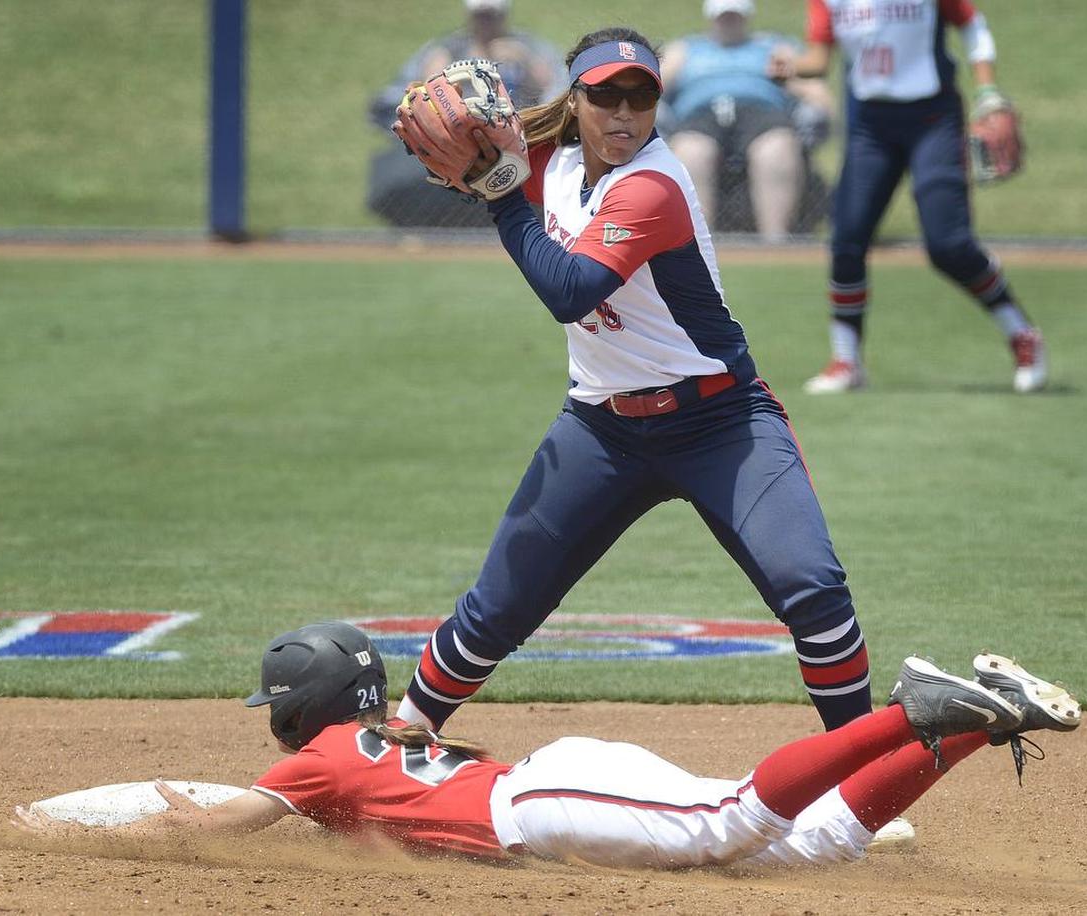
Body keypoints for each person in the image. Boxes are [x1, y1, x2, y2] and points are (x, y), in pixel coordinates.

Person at [391, 27, 877, 738]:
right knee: (498, 605)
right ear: (577, 97)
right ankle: (404, 734)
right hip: (602, 426)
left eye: (641, 96)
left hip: (720, 423)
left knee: (813, 591)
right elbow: (466, 161)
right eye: (606, 95)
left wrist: (497, 191)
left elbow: (571, 291)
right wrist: (466, 153)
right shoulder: (548, 165)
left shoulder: (653, 185)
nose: (624, 112)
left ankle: (859, 777)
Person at [12, 621, 1082, 870]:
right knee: (815, 846)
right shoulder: (381, 731)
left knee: (729, 821)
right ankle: (988, 716)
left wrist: (70, 836)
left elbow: (216, 824)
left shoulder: (315, 758)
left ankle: (908, 713)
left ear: (302, 706)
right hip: (554, 780)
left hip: (543, 802)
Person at [768, 1, 1048, 394]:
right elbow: (820, 57)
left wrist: (987, 90)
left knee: (948, 244)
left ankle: (1022, 334)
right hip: (871, 124)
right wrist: (792, 67)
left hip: (932, 119)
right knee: (847, 239)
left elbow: (971, 23)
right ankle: (846, 360)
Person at [367, 0, 566, 227]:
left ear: (504, 16)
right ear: (470, 16)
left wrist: (526, 63)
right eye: (480, 16)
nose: (486, 23)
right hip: (457, 142)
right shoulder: (448, 49)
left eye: (492, 16)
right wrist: (443, 73)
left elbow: (558, 95)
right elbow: (413, 95)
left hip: (519, 141)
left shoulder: (528, 47)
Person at [659, 0, 834, 239]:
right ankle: (697, 244)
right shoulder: (686, 50)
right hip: (699, 116)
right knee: (691, 151)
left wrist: (802, 92)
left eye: (734, 16)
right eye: (723, 16)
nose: (729, 22)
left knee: (776, 147)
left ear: (746, 16)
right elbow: (652, 87)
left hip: (763, 114)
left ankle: (776, 242)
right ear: (711, 16)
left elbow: (818, 94)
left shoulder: (772, 48)